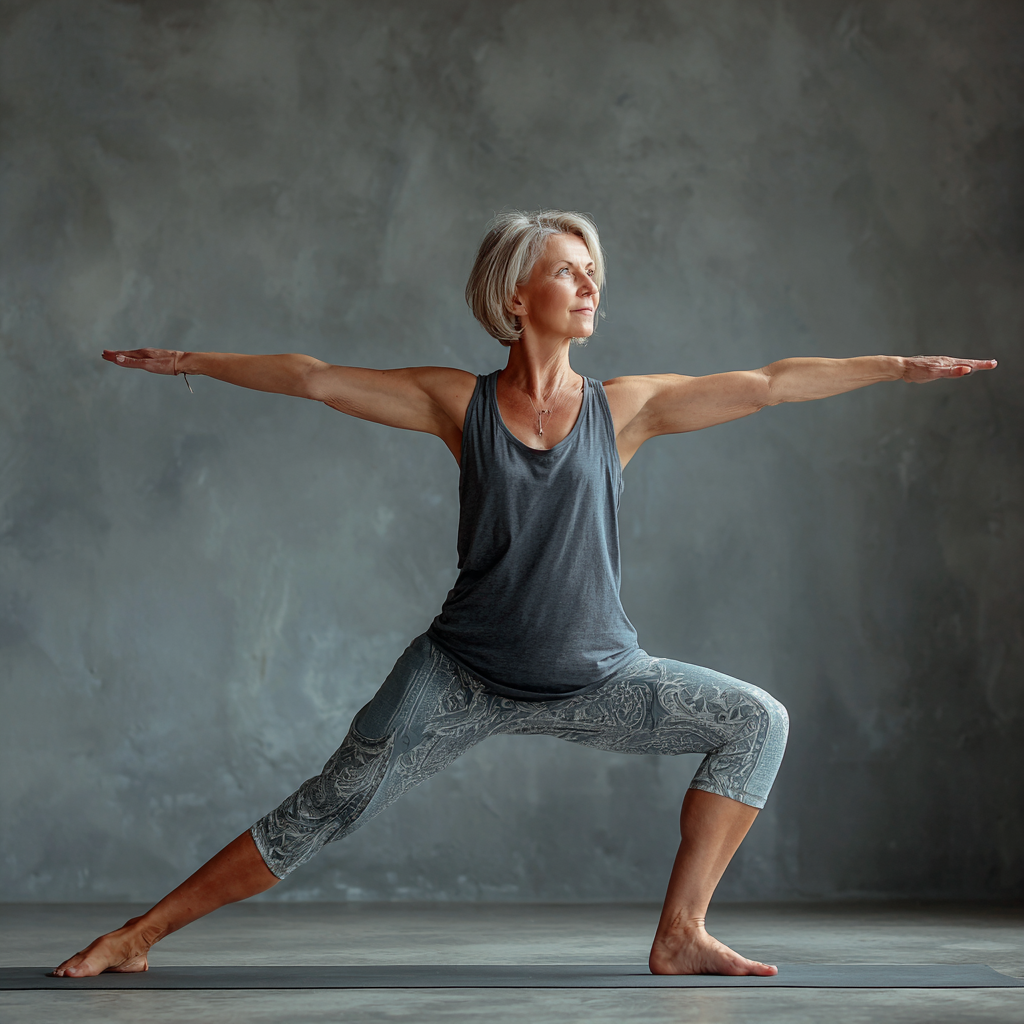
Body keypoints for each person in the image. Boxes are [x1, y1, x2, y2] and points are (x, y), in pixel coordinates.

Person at [54, 210, 995, 979]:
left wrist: (896, 368)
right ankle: (137, 935)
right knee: (324, 806)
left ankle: (680, 936)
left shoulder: (623, 407)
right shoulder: (454, 403)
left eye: (593, 270)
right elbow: (314, 379)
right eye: (569, 270)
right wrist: (191, 363)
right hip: (459, 675)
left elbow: (770, 383)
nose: (591, 285)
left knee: (759, 722)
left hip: (598, 676)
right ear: (517, 296)